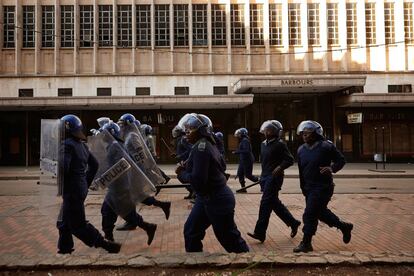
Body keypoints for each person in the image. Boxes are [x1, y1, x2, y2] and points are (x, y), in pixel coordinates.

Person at [175, 113, 249, 253]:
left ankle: (250, 263)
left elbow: (198, 181)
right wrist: (188, 166)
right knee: (191, 231)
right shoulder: (206, 144)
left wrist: (181, 173)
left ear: (201, 131)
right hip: (206, 198)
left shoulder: (201, 148)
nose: (186, 132)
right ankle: (195, 263)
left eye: (190, 129)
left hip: (217, 200)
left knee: (229, 238)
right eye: (186, 128)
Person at [57, 114, 121, 254]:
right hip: (79, 189)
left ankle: (106, 245)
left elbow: (63, 168)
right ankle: (64, 249)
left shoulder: (66, 145)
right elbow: (95, 165)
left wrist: (52, 170)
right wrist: (85, 182)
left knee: (78, 225)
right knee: (63, 222)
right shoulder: (82, 145)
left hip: (71, 192)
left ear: (67, 129)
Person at [294, 120, 353, 253]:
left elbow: (341, 160)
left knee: (309, 213)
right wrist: (303, 188)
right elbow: (301, 171)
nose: (305, 136)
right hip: (309, 188)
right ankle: (343, 226)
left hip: (323, 187)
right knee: (319, 213)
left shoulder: (326, 146)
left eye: (308, 133)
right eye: (303, 133)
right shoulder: (301, 150)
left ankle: (306, 243)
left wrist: (331, 168)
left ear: (316, 134)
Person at [99, 122, 157, 245]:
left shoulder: (115, 146)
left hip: (118, 186)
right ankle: (148, 227)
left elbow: (120, 166)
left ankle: (109, 239)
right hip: (117, 186)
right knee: (124, 212)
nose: (102, 135)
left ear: (111, 133)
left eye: (105, 133)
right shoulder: (114, 145)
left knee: (109, 211)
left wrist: (104, 178)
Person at [247, 120, 301, 243]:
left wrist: (280, 167)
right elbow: (265, 163)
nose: (266, 132)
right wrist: (262, 177)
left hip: (275, 179)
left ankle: (260, 233)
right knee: (274, 204)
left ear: (274, 132)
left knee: (265, 204)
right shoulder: (263, 144)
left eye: (269, 130)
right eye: (266, 130)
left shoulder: (280, 144)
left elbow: (289, 160)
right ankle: (293, 223)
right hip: (265, 178)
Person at [117, 113, 171, 221]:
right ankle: (162, 205)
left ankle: (134, 221)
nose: (121, 126)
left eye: (122, 124)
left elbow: (141, 152)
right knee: (136, 195)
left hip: (136, 169)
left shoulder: (132, 136)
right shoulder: (127, 135)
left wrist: (143, 170)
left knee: (133, 195)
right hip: (131, 169)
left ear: (128, 124)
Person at [172, 124, 194, 199]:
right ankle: (191, 191)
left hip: (187, 162)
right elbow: (183, 150)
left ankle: (194, 191)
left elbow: (191, 149)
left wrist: (180, 156)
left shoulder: (183, 139)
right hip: (184, 162)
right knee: (182, 176)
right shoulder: (180, 139)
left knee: (181, 176)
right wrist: (176, 154)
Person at [233, 128, 258, 192]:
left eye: (239, 134)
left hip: (248, 160)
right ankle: (243, 188)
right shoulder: (242, 140)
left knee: (248, 175)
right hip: (243, 160)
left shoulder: (245, 140)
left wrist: (237, 152)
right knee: (240, 174)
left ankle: (260, 181)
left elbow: (246, 151)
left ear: (243, 134)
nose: (238, 135)